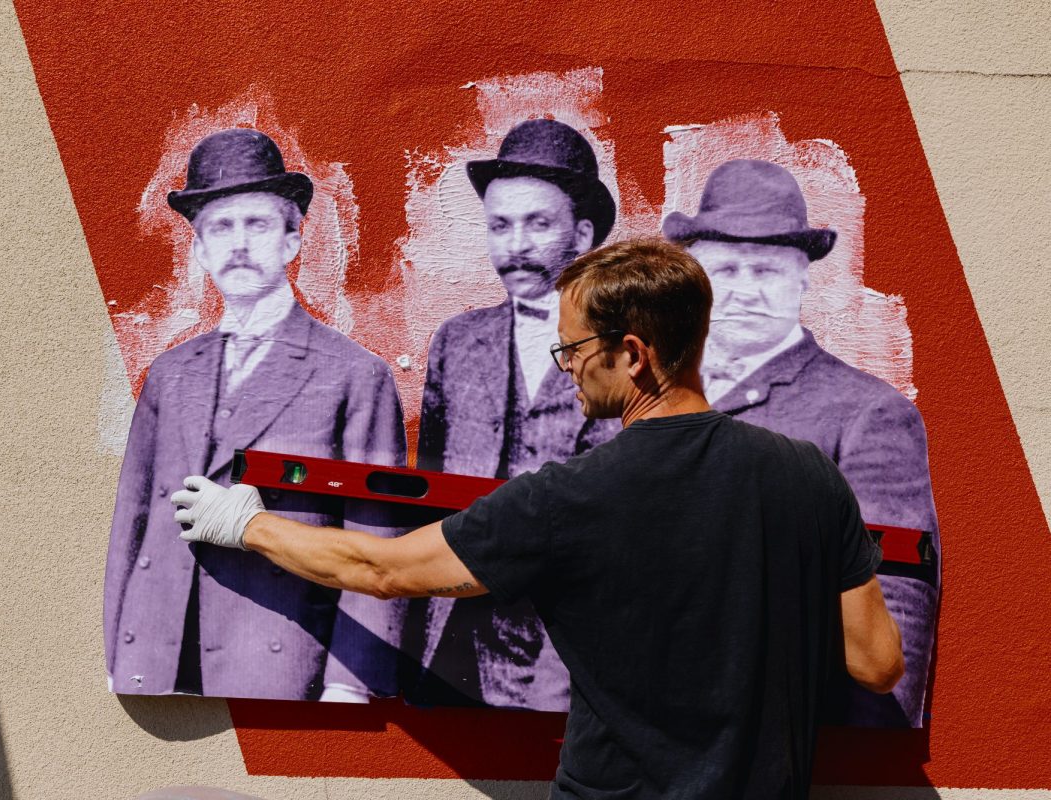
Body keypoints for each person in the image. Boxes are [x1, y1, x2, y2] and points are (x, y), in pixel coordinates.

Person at [171, 238, 903, 798]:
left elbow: (381, 570)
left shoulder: (570, 499)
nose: (565, 366)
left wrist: (246, 525)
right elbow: (876, 664)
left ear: (633, 354)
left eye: (575, 348)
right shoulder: (809, 477)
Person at [103, 128, 407, 701]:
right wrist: (116, 653)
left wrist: (350, 685)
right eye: (220, 227)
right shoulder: (169, 374)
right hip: (158, 655)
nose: (238, 245)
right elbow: (131, 520)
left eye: (258, 225)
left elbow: (377, 538)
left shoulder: (354, 374)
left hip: (277, 656)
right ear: (198, 249)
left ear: (293, 240)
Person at [662, 159, 939, 727]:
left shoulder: (870, 413)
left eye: (765, 271)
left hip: (769, 729)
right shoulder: (650, 394)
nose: (742, 291)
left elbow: (897, 604)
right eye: (725, 270)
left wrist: (850, 746)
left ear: (803, 280)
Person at [410, 118, 621, 710]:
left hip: (566, 654)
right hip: (450, 643)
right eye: (500, 226)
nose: (517, 246)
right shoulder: (457, 341)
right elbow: (425, 495)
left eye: (538, 224)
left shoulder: (629, 351)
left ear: (581, 235)